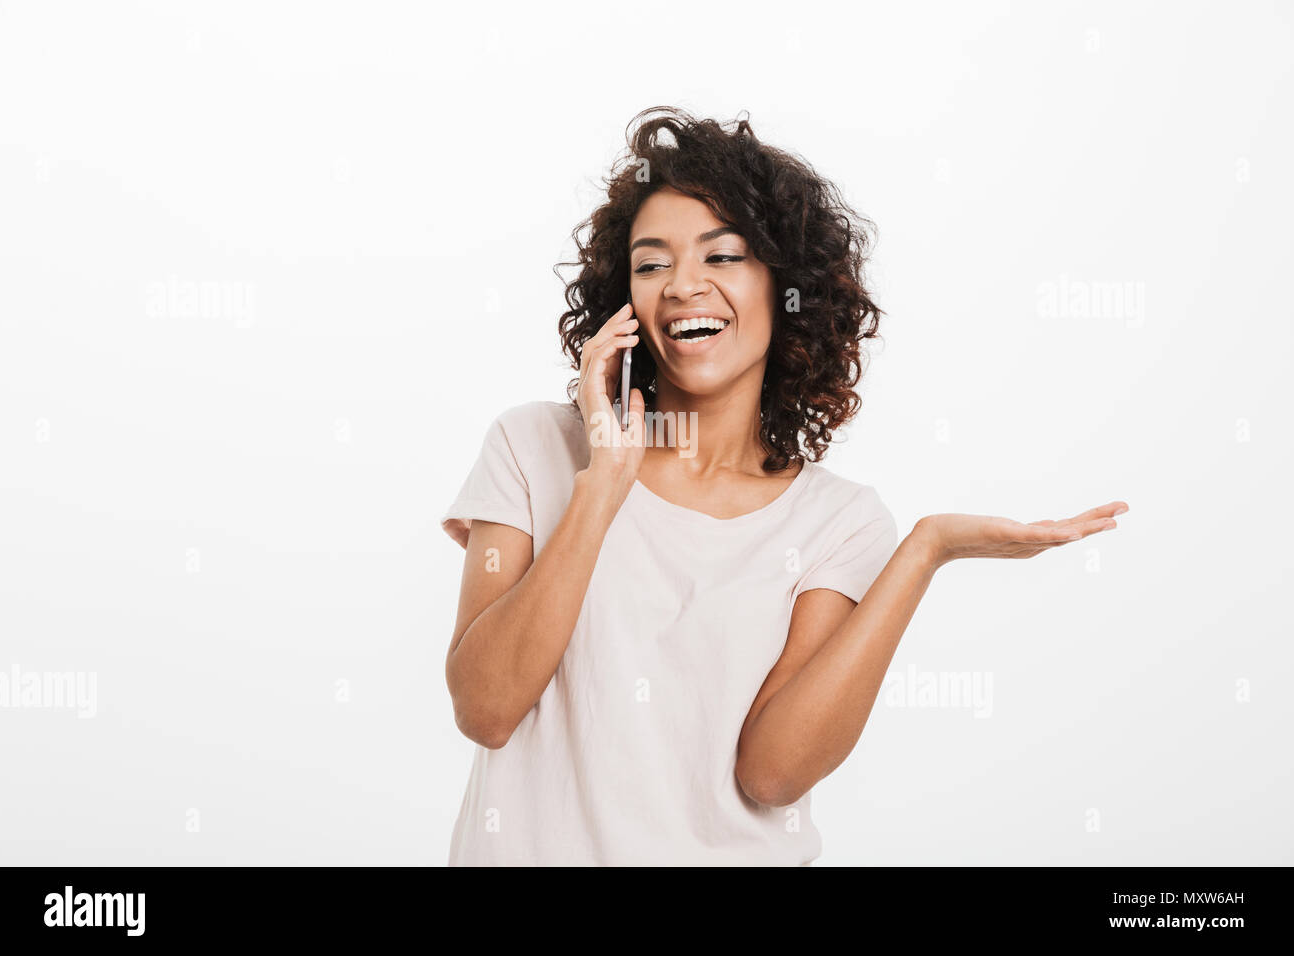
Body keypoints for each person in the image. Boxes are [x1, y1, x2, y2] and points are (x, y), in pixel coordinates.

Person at [441, 106, 1126, 866]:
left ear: (784, 286)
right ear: (623, 300)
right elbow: (486, 708)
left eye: (723, 256)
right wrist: (603, 484)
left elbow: (772, 773)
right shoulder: (533, 446)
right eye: (651, 263)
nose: (682, 286)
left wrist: (926, 550)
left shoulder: (839, 523)